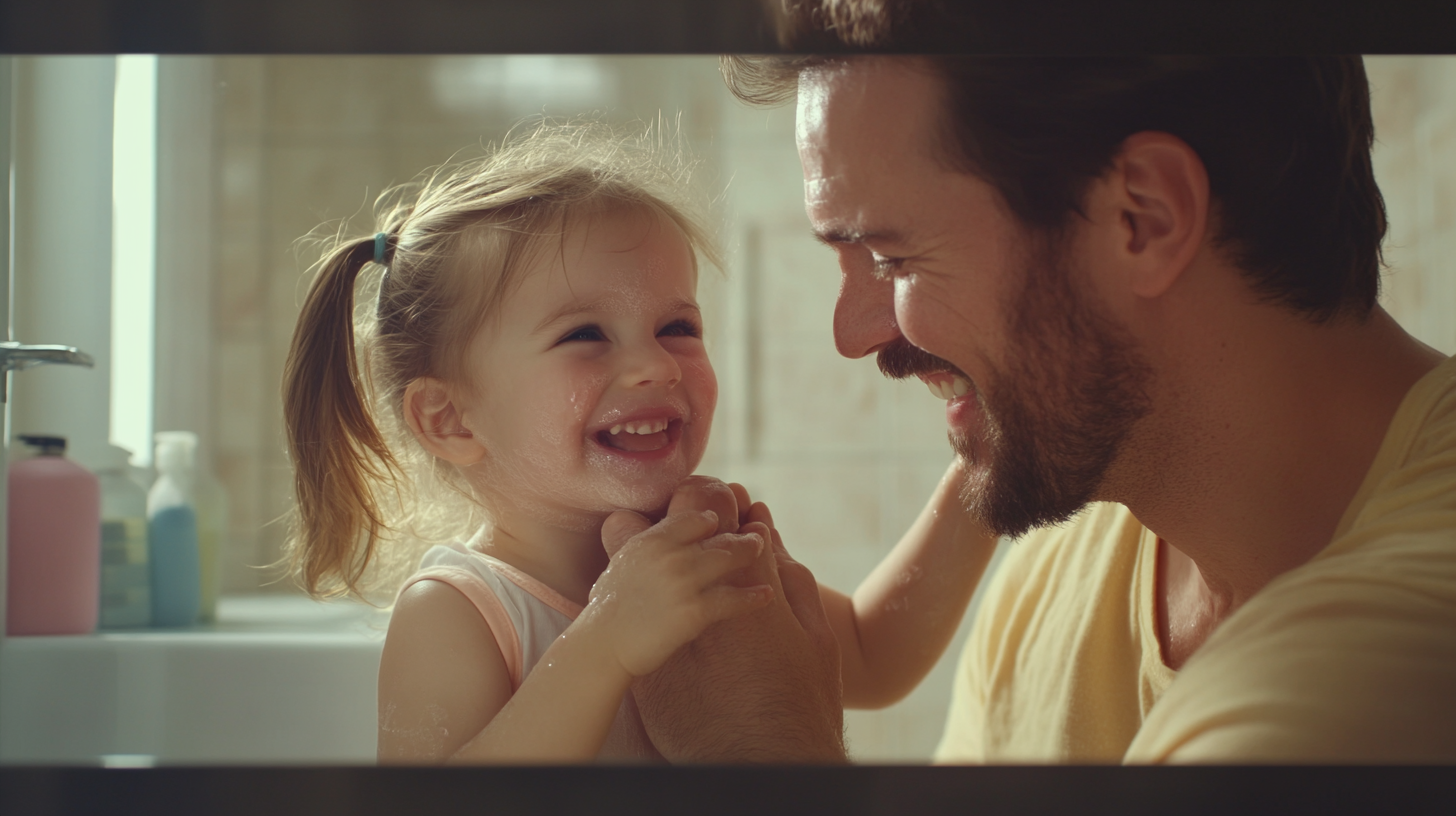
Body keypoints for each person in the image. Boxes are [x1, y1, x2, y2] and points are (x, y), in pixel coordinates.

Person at [619, 5, 1456, 763]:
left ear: (1144, 218)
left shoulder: (1381, 674)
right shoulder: (1053, 582)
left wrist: (759, 753)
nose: (854, 335)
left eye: (891, 258)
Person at [280, 121, 991, 763]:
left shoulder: (706, 548)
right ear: (451, 420)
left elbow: (874, 654)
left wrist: (983, 468)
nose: (656, 364)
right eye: (584, 335)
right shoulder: (458, 610)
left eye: (678, 327)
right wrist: (606, 644)